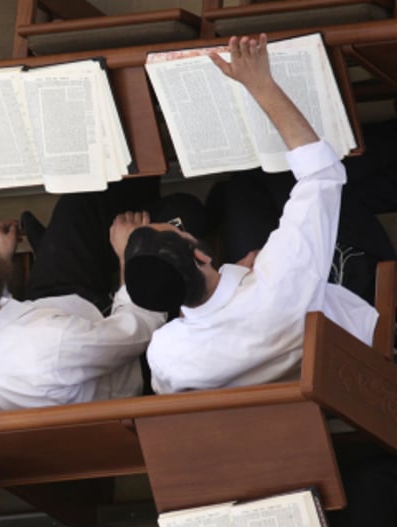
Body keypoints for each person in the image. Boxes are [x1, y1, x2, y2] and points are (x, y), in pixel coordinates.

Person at [122, 34, 379, 394]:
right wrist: (260, 84)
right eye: (181, 232)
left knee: (244, 189)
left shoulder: (166, 354)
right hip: (351, 328)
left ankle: (235, 187)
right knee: (295, 182)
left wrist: (236, 277)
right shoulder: (280, 277)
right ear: (199, 255)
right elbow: (320, 174)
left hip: (294, 383)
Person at [0, 186, 175, 413]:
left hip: (49, 308)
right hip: (123, 354)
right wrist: (129, 255)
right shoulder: (48, 345)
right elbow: (138, 329)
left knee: (77, 203)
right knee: (179, 216)